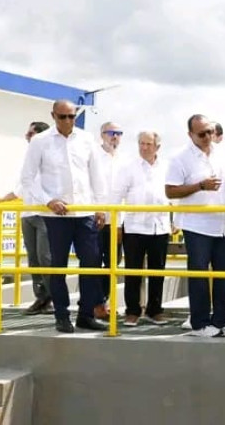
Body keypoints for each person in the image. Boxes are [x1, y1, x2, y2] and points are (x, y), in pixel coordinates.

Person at [20, 100, 108, 333]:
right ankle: (61, 315)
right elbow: (27, 179)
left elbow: (97, 176)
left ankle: (85, 314)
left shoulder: (87, 139)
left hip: (85, 213)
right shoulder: (40, 141)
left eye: (71, 116)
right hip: (54, 216)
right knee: (56, 266)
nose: (68, 121)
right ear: (53, 116)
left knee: (91, 264)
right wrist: (49, 200)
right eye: (63, 117)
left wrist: (101, 208)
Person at [165, 115, 225, 337]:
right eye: (202, 134)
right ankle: (200, 323)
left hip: (223, 223)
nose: (207, 137)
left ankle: (221, 320)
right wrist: (200, 186)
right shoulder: (180, 158)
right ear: (190, 135)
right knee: (199, 275)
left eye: (210, 132)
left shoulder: (223, 153)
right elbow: (170, 190)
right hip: (196, 225)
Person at [112, 131, 171, 327]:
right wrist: (118, 224)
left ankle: (155, 310)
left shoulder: (168, 167)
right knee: (133, 272)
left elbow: (175, 196)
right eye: (141, 144)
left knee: (157, 272)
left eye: (148, 144)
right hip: (135, 227)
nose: (144, 147)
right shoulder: (128, 167)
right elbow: (116, 196)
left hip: (160, 227)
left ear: (157, 147)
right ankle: (132, 311)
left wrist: (175, 221)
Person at [0, 121, 54, 315]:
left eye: (30, 134)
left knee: (46, 258)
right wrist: (3, 199)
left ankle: (53, 299)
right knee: (34, 260)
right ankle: (41, 298)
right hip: (28, 214)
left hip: (45, 214)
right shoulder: (29, 158)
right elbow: (22, 186)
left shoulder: (52, 157)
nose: (26, 137)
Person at [96, 121, 125, 317]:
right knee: (94, 263)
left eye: (118, 133)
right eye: (111, 133)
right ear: (102, 135)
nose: (114, 136)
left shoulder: (125, 160)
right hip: (96, 220)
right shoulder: (94, 157)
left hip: (118, 221)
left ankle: (103, 302)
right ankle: (93, 304)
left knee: (113, 262)